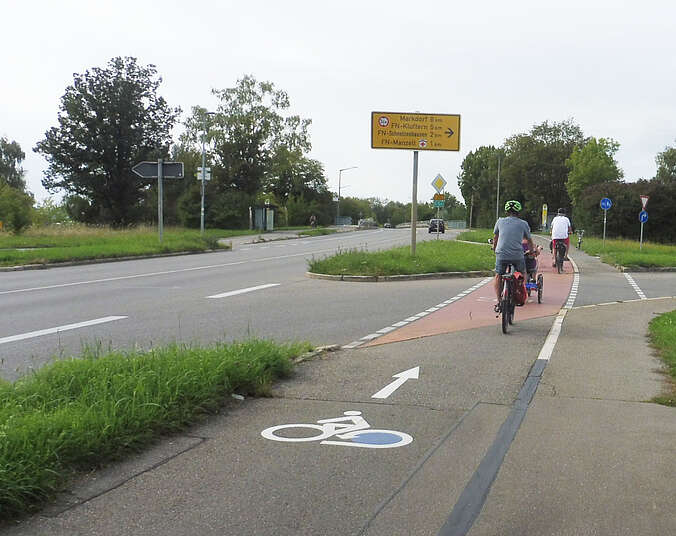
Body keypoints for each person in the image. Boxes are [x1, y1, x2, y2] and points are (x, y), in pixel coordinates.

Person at [492, 200, 535, 309]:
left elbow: (495, 238)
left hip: (501, 254)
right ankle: (521, 293)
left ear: (506, 211)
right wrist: (531, 252)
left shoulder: (499, 221)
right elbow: (529, 241)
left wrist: (494, 248)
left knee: (498, 275)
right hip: (517, 255)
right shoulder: (523, 223)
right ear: (518, 212)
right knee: (522, 272)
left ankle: (498, 301)